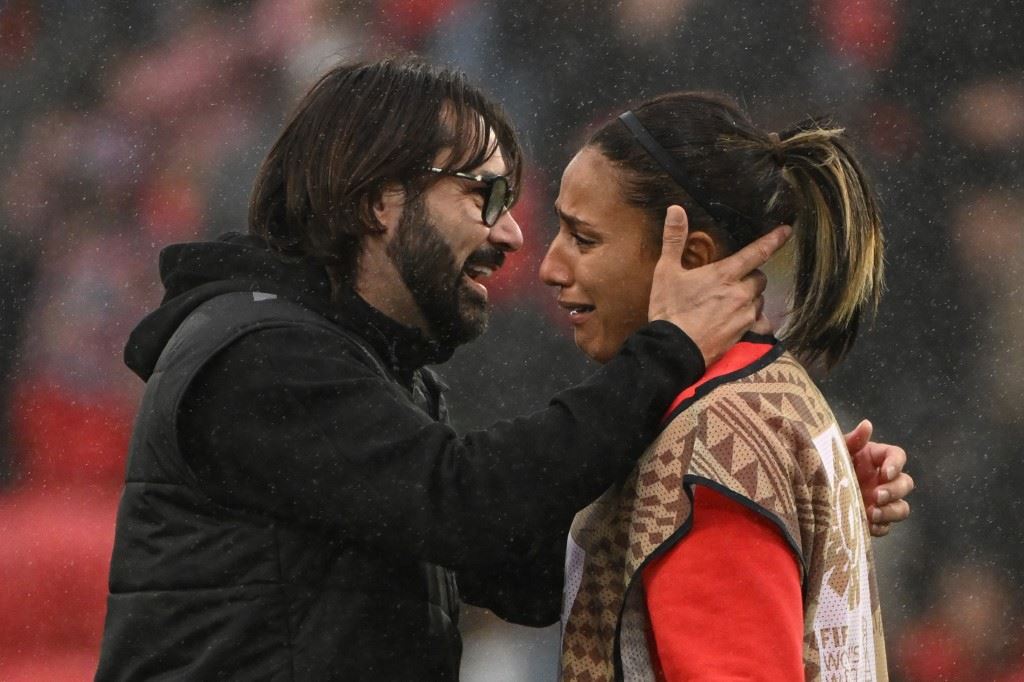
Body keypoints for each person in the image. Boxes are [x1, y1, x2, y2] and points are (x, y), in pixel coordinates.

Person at [95, 60, 905, 680]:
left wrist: (764, 499)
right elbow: (472, 508)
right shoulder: (261, 357)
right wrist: (665, 354)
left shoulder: (363, 369)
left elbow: (520, 572)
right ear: (381, 200)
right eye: (484, 196)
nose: (516, 239)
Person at [546, 92, 902, 680]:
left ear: (691, 257)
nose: (549, 267)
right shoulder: (771, 397)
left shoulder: (711, 445)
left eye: (583, 239)